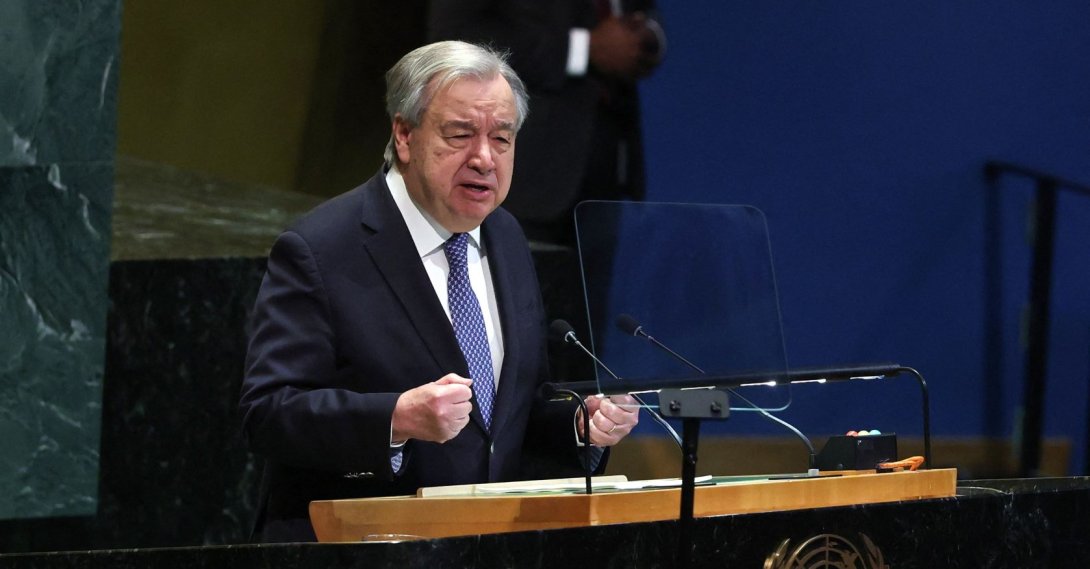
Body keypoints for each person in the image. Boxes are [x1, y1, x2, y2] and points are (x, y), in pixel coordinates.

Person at [239, 40, 639, 543]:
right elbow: (268, 412)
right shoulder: (322, 247)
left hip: (485, 545)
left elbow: (510, 412)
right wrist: (396, 419)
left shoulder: (506, 236)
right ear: (404, 135)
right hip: (357, 546)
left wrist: (578, 423)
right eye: (460, 134)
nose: (484, 158)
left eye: (501, 138)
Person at [428, 0, 665, 245]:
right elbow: (456, 37)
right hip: (521, 176)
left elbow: (643, 12)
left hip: (605, 175)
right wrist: (583, 48)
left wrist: (647, 36)